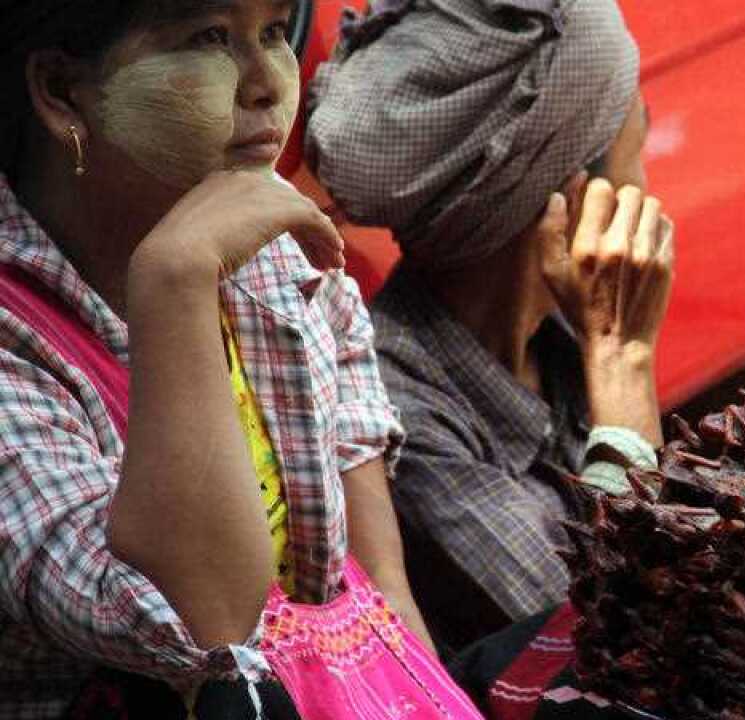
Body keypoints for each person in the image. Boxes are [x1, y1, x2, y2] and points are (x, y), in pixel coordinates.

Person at [0, 1, 435, 716]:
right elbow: (210, 633)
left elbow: (384, 605)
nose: (267, 82)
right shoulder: (18, 337)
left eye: (272, 32)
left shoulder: (284, 264)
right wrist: (176, 278)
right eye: (209, 38)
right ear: (60, 91)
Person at [306, 0, 674, 650]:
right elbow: (617, 640)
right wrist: (624, 361)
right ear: (567, 195)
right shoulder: (403, 420)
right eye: (634, 153)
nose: (648, 188)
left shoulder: (551, 352)